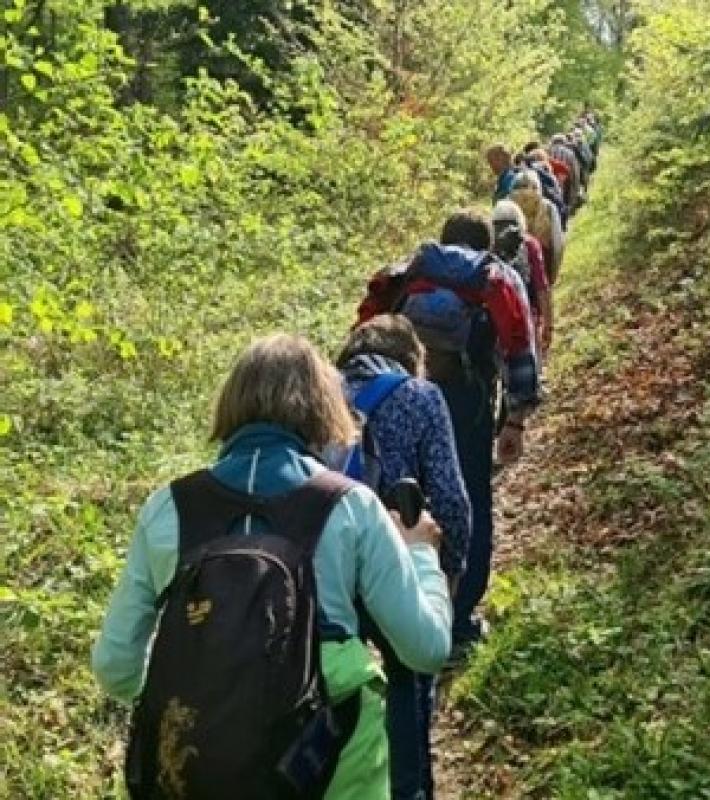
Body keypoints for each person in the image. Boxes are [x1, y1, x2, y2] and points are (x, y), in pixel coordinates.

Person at [92, 334, 452, 800]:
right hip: (329, 749)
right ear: (324, 408)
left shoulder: (167, 508)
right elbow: (425, 649)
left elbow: (115, 668)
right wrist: (420, 552)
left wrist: (205, 696)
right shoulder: (351, 506)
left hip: (198, 759)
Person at [337, 315, 471, 800]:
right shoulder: (420, 398)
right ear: (412, 359)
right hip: (396, 554)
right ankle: (409, 788)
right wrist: (446, 571)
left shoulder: (315, 399)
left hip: (328, 559)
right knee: (408, 676)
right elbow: (450, 497)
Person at [431, 210, 539, 650]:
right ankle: (459, 622)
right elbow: (520, 352)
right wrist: (514, 419)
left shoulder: (413, 272)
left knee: (413, 498)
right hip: (469, 399)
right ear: (487, 243)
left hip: (410, 394)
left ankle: (411, 615)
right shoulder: (498, 278)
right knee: (471, 496)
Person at [492, 200, 554, 363]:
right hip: (527, 317)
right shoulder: (530, 244)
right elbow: (541, 285)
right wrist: (548, 323)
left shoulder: (487, 246)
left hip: (496, 319)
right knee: (530, 366)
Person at [509, 170, 565, 285]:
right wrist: (552, 276)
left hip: (515, 266)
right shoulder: (548, 207)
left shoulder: (506, 206)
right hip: (543, 263)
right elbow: (558, 245)